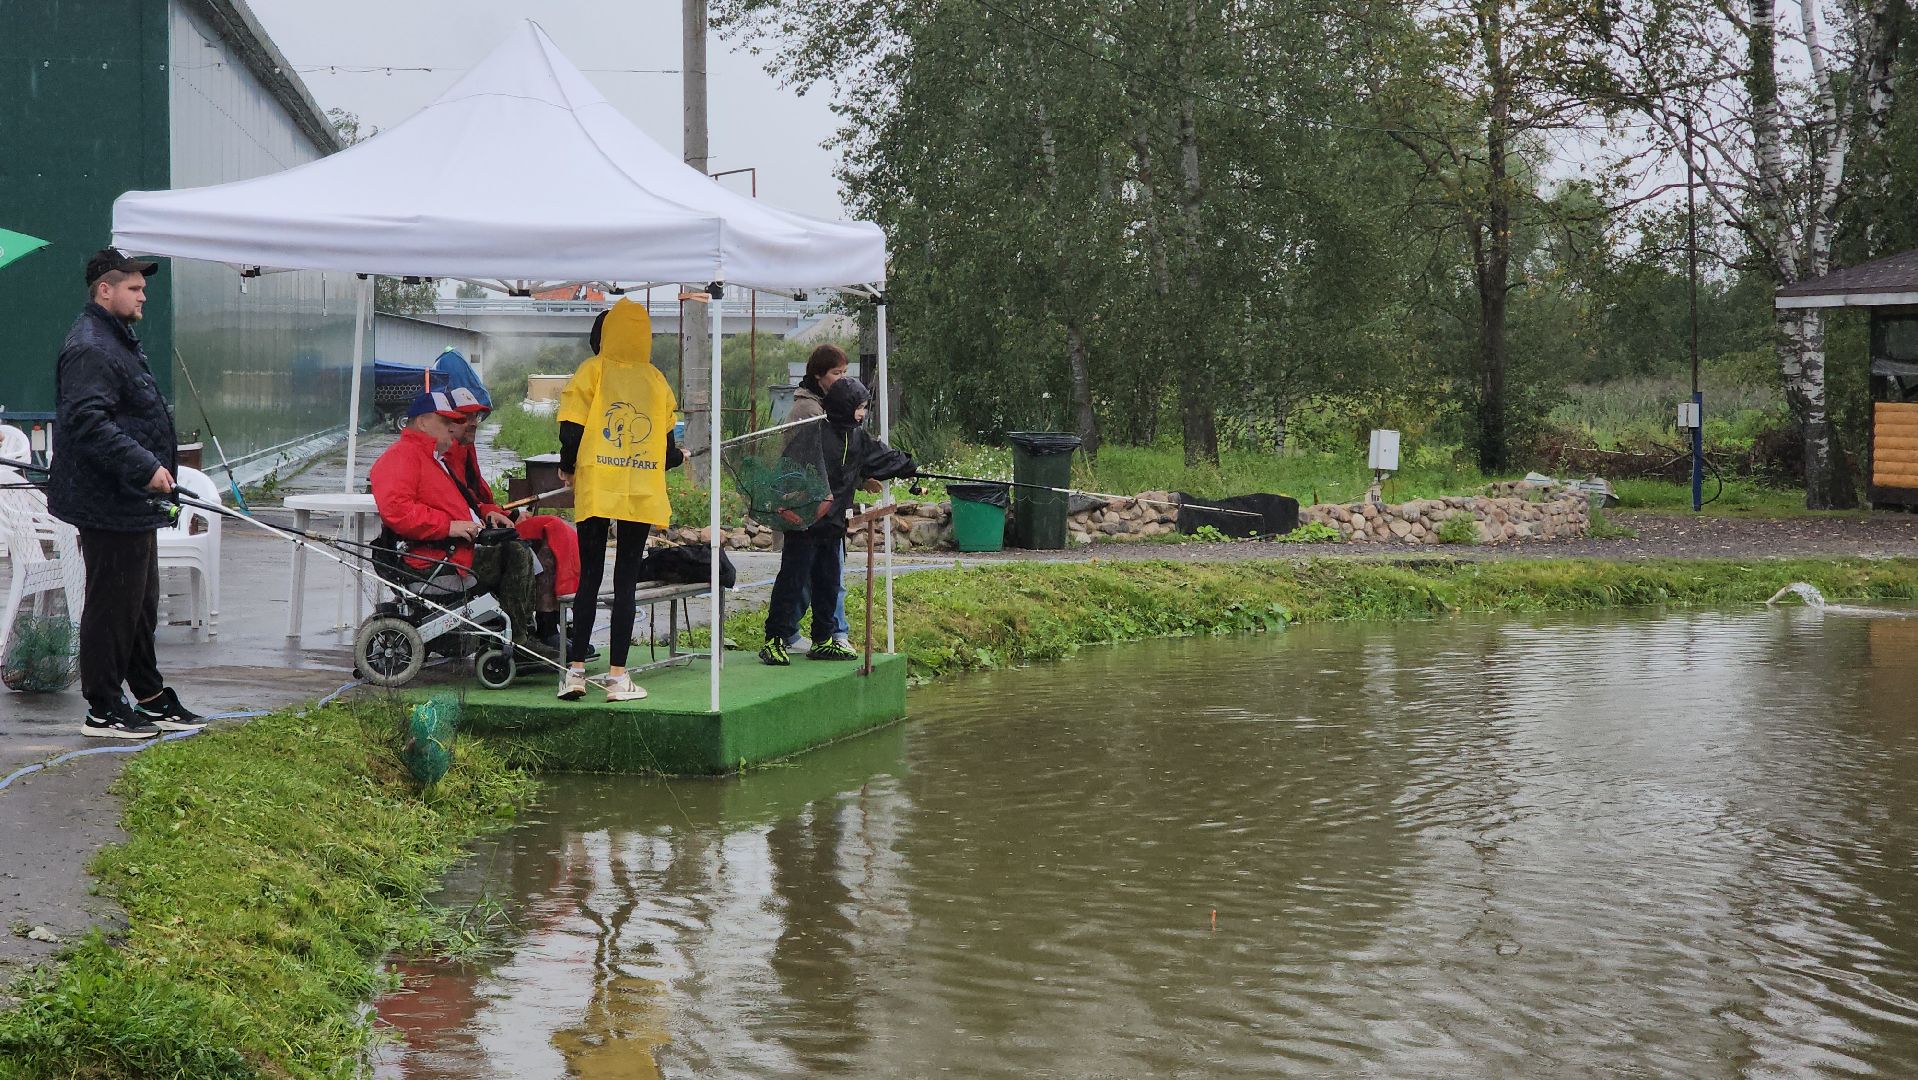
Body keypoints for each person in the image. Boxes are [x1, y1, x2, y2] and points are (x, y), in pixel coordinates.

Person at [44, 250, 209, 739]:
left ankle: (149, 695)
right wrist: (146, 466)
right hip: (108, 498)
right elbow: (87, 422)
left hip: (132, 499)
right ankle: (103, 707)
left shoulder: (115, 338)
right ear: (105, 290)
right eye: (134, 288)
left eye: (143, 288)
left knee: (139, 603)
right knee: (112, 605)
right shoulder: (91, 346)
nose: (143, 296)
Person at [556, 299, 683, 702]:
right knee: (626, 578)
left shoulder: (591, 371)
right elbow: (668, 451)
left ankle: (576, 672)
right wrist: (679, 458)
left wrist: (568, 467)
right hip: (640, 488)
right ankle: (617, 678)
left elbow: (571, 430)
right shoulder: (657, 380)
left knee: (590, 575)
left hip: (597, 484)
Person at [368, 391, 553, 661]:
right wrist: (448, 526)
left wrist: (485, 514)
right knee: (516, 554)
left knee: (518, 545)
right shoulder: (402, 456)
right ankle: (520, 642)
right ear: (423, 422)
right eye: (445, 422)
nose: (452, 428)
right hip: (433, 560)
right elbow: (397, 511)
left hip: (449, 553)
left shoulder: (431, 457)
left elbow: (463, 502)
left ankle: (525, 634)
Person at [760, 377, 917, 665]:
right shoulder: (812, 435)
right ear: (844, 406)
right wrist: (789, 505)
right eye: (859, 407)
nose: (863, 413)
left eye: (864, 408)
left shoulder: (857, 437)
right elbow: (787, 474)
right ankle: (774, 639)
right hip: (804, 525)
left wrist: (908, 465)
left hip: (832, 527)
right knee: (793, 582)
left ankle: (823, 639)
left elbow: (882, 458)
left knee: (829, 583)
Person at [442, 387, 581, 650]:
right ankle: (543, 628)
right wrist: (493, 514)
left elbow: (475, 496)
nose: (473, 423)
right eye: (465, 417)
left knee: (554, 530)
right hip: (468, 537)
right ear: (445, 421)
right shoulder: (442, 454)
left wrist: (509, 514)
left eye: (475, 417)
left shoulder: (464, 448)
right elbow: (457, 504)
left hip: (483, 522)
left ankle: (553, 621)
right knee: (546, 538)